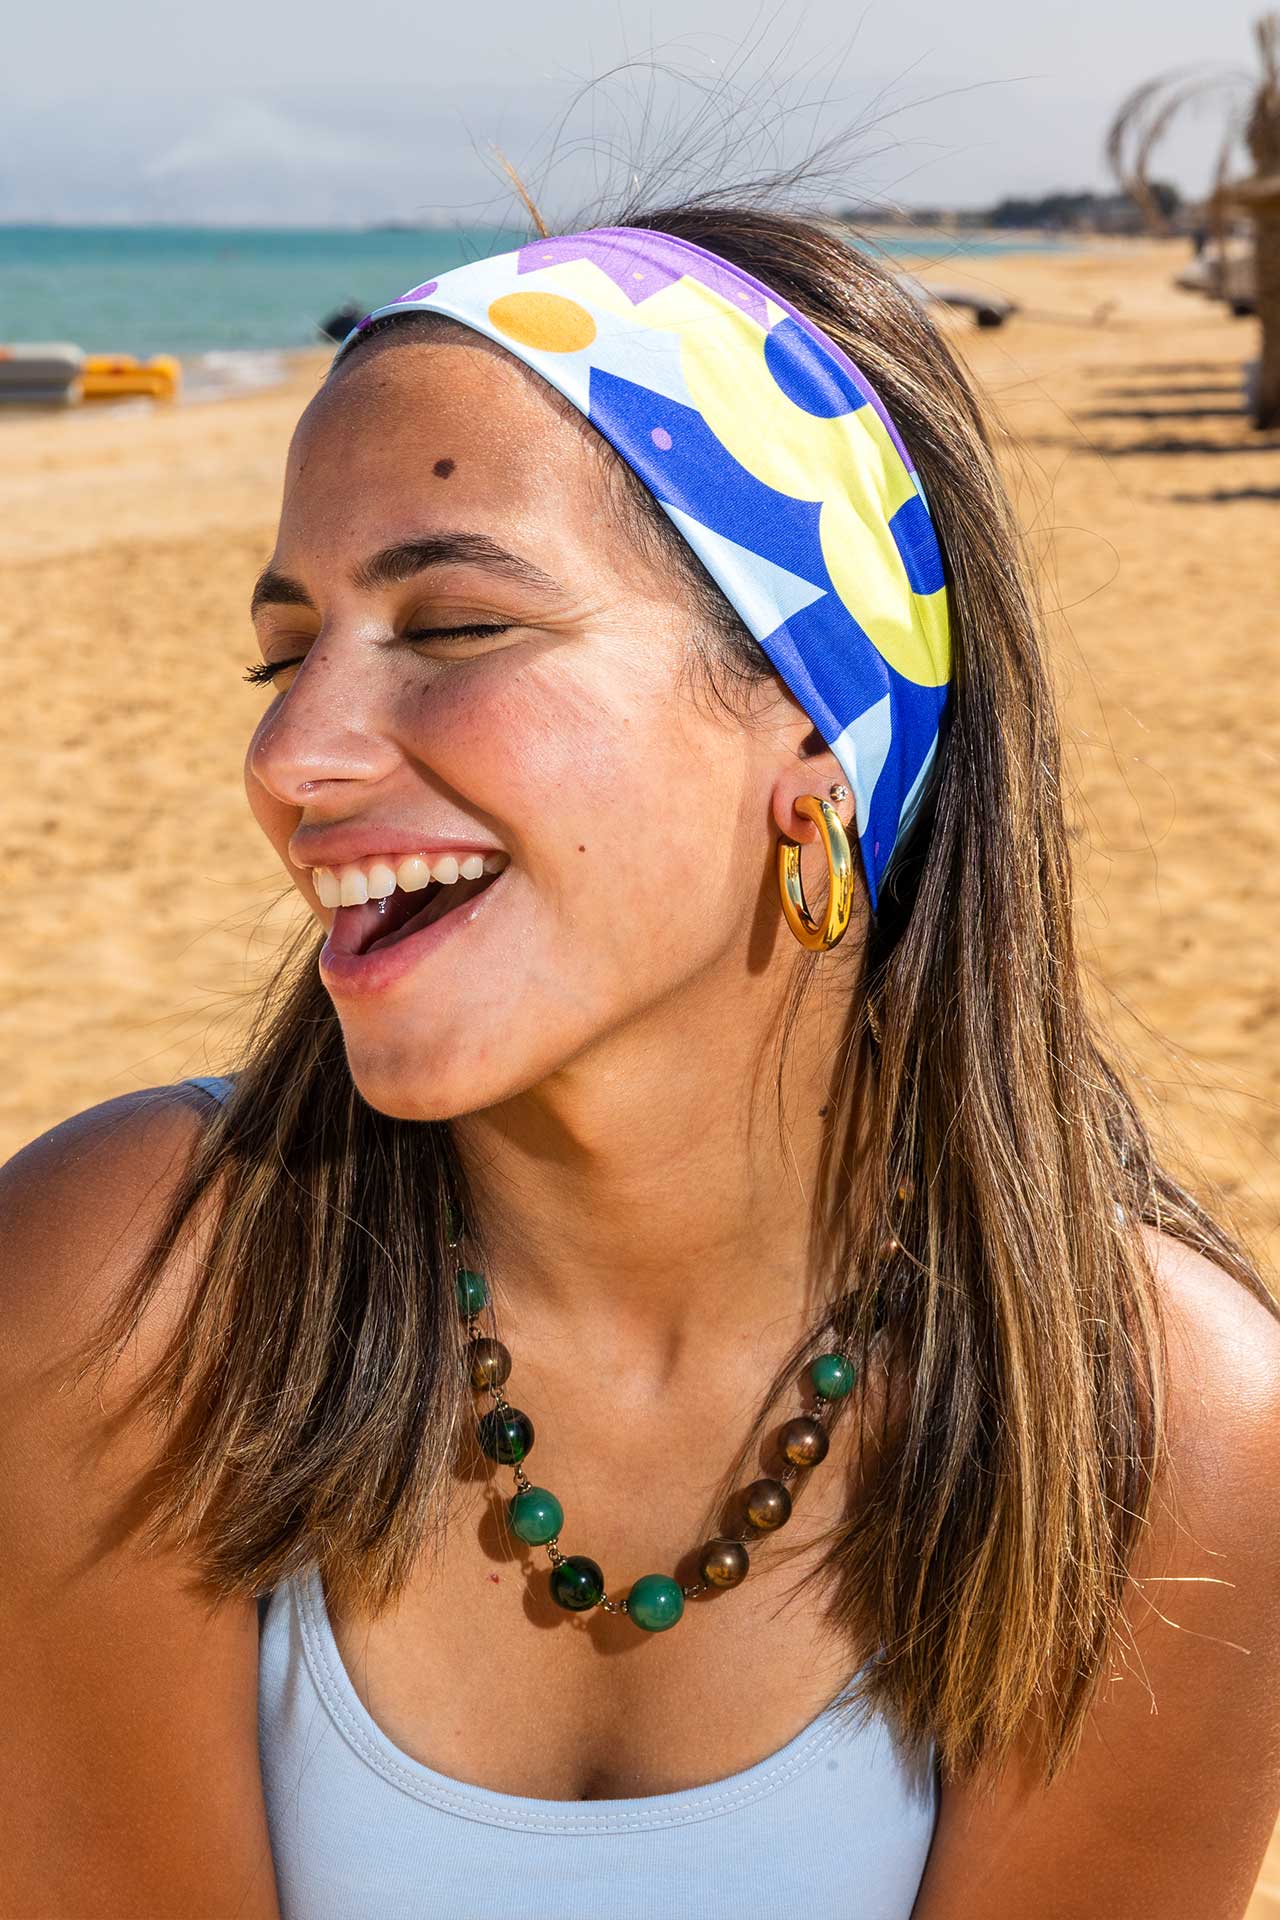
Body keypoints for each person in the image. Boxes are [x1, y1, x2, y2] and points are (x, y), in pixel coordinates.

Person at [3, 200, 1279, 1920]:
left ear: (811, 731)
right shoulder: (121, 1301)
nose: (292, 756)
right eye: (284, 652)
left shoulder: (1162, 1437)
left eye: (453, 629)